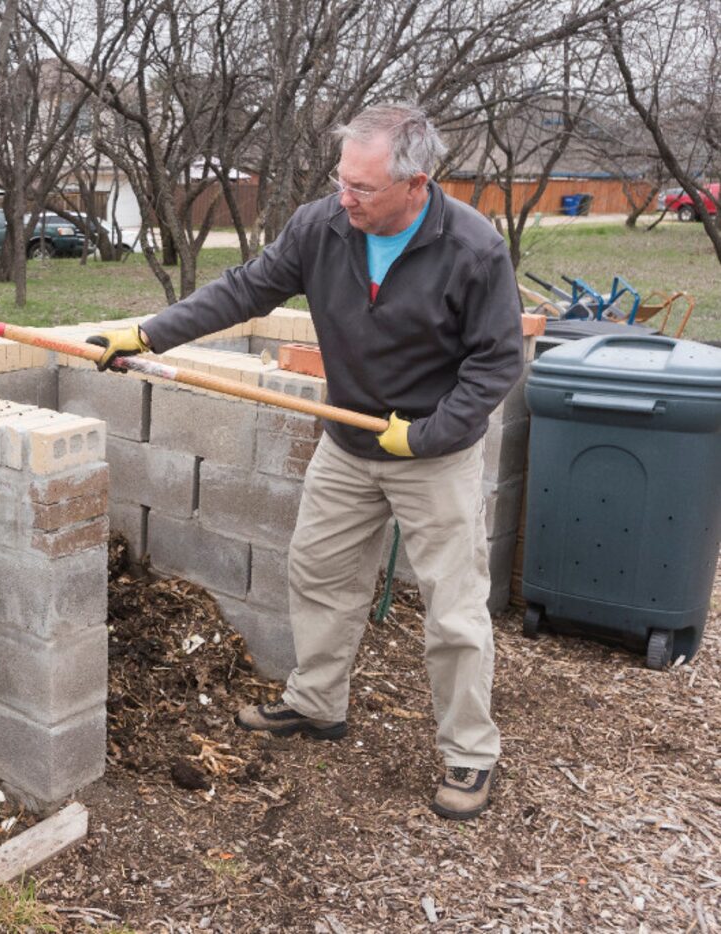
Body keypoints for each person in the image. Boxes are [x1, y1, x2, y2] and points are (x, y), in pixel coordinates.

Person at [86, 102, 523, 821]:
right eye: (341, 180)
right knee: (318, 572)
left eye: (363, 188)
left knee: (454, 610)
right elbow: (246, 289)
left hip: (433, 452)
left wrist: (425, 436)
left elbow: (496, 360)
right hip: (350, 445)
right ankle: (318, 704)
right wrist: (147, 333)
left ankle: (470, 752)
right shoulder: (325, 226)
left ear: (416, 183)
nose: (343, 197)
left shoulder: (471, 249)